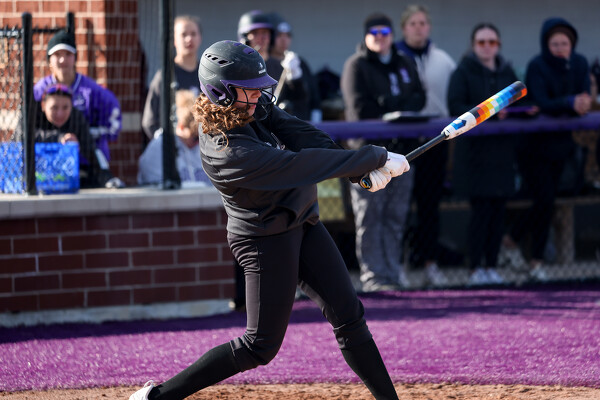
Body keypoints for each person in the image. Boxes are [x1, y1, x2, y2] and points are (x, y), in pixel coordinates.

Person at [129, 39, 410, 400]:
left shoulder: (251, 107)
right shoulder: (227, 150)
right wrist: (373, 157)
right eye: (249, 89)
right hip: (265, 239)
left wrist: (357, 170)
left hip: (302, 222)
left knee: (349, 316)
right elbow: (296, 166)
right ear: (221, 92)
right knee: (259, 346)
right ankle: (157, 397)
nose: (259, 94)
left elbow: (300, 133)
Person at [340, 12, 425, 292]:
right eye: (374, 33)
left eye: (385, 33)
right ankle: (374, 277)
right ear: (366, 36)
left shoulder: (405, 62)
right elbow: (359, 108)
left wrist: (389, 104)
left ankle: (393, 273)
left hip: (402, 154)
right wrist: (392, 104)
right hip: (368, 156)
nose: (380, 38)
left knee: (395, 217)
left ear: (392, 35)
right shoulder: (356, 66)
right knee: (370, 217)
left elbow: (419, 98)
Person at [502, 17, 592, 281]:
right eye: (555, 44)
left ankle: (517, 245)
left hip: (563, 146)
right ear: (546, 44)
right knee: (544, 199)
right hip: (534, 146)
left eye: (565, 43)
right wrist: (569, 102)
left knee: (549, 201)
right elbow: (541, 101)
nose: (560, 48)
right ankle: (532, 258)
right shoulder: (537, 65)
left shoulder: (580, 63)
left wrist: (582, 102)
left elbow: (584, 96)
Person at [448, 23, 526, 286]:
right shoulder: (462, 72)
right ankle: (475, 269)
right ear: (473, 45)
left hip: (502, 154)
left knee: (498, 213)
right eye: (481, 42)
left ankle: (492, 266)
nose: (487, 47)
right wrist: (489, 115)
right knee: (480, 213)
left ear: (498, 45)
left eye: (492, 42)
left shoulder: (507, 73)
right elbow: (455, 106)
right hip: (475, 157)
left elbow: (520, 102)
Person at [395, 4, 456, 287]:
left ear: (429, 27)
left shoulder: (443, 60)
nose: (418, 28)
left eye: (423, 23)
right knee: (400, 207)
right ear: (404, 28)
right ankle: (400, 266)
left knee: (430, 205)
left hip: (436, 140)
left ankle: (431, 265)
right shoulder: (394, 58)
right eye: (413, 24)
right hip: (402, 141)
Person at [34, 30, 122, 165]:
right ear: (49, 59)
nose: (63, 60)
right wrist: (58, 137)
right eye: (57, 55)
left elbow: (113, 121)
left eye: (68, 54)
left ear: (75, 57)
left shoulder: (92, 91)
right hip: (49, 162)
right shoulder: (39, 91)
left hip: (88, 161)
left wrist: (84, 135)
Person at [15, 84, 115, 188]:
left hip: (62, 176)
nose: (60, 114)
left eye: (65, 107)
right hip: (30, 173)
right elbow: (21, 136)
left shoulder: (76, 117)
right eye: (54, 107)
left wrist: (107, 178)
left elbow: (91, 149)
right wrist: (59, 138)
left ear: (71, 106)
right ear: (43, 105)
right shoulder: (30, 114)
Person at [142, 15, 203, 140]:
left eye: (193, 34)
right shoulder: (165, 76)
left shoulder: (207, 74)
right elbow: (149, 121)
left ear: (200, 38)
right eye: (183, 34)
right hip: (174, 146)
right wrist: (170, 142)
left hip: (202, 148)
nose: (189, 39)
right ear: (174, 40)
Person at [138, 90, 209, 186]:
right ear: (181, 127)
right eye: (195, 138)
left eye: (202, 137)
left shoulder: (203, 148)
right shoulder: (160, 149)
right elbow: (156, 189)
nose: (199, 143)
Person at [266, 12, 322, 122]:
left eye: (287, 35)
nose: (284, 40)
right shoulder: (264, 63)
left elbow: (313, 95)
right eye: (279, 35)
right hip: (274, 123)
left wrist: (316, 116)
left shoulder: (298, 62)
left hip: (300, 121)